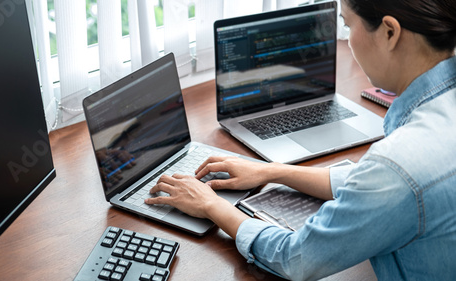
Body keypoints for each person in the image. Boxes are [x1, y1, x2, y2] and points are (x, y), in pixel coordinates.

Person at [145, 0, 456, 279]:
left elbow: (295, 258)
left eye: (347, 25)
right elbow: (377, 183)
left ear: (390, 32)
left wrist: (211, 205)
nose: (346, 40)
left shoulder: (396, 168)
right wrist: (273, 171)